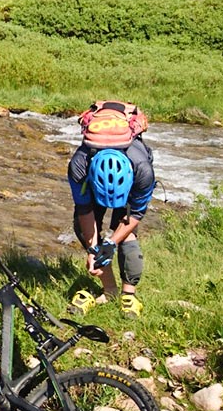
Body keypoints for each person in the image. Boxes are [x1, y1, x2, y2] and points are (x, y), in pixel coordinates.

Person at [66, 100, 156, 319]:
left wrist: (111, 243)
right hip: (92, 181)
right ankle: (110, 291)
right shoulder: (79, 166)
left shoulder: (142, 171)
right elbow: (85, 211)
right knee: (84, 229)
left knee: (125, 233)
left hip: (132, 177)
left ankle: (129, 294)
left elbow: (134, 215)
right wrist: (93, 249)